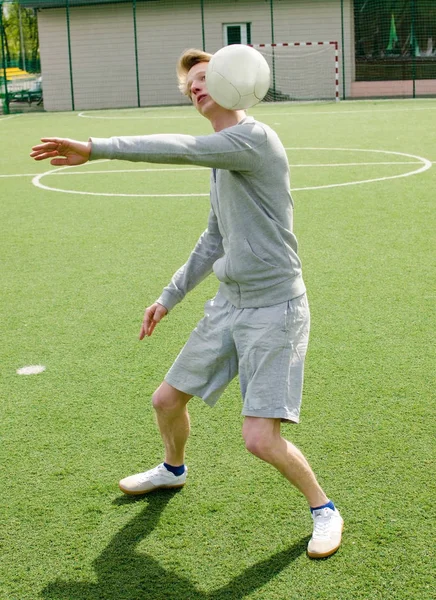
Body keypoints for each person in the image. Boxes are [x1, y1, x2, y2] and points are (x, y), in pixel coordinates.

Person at [30, 48, 343, 559]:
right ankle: (173, 470)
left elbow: (182, 148)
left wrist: (98, 147)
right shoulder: (225, 155)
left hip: (274, 308)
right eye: (191, 83)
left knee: (259, 440)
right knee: (165, 401)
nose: (196, 87)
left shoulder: (252, 140)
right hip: (230, 303)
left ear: (234, 80)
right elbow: (213, 239)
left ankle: (324, 509)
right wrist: (168, 297)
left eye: (206, 78)